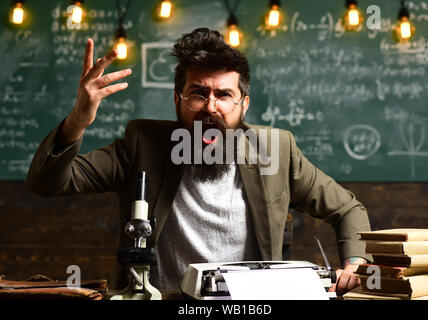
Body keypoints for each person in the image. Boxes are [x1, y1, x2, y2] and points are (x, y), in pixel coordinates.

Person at [26, 28, 371, 296]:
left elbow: (348, 209)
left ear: (243, 104)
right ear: (178, 100)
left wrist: (354, 265)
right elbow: (47, 182)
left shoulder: (276, 150)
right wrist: (78, 120)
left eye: (224, 95)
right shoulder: (142, 144)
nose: (211, 107)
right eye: (198, 93)